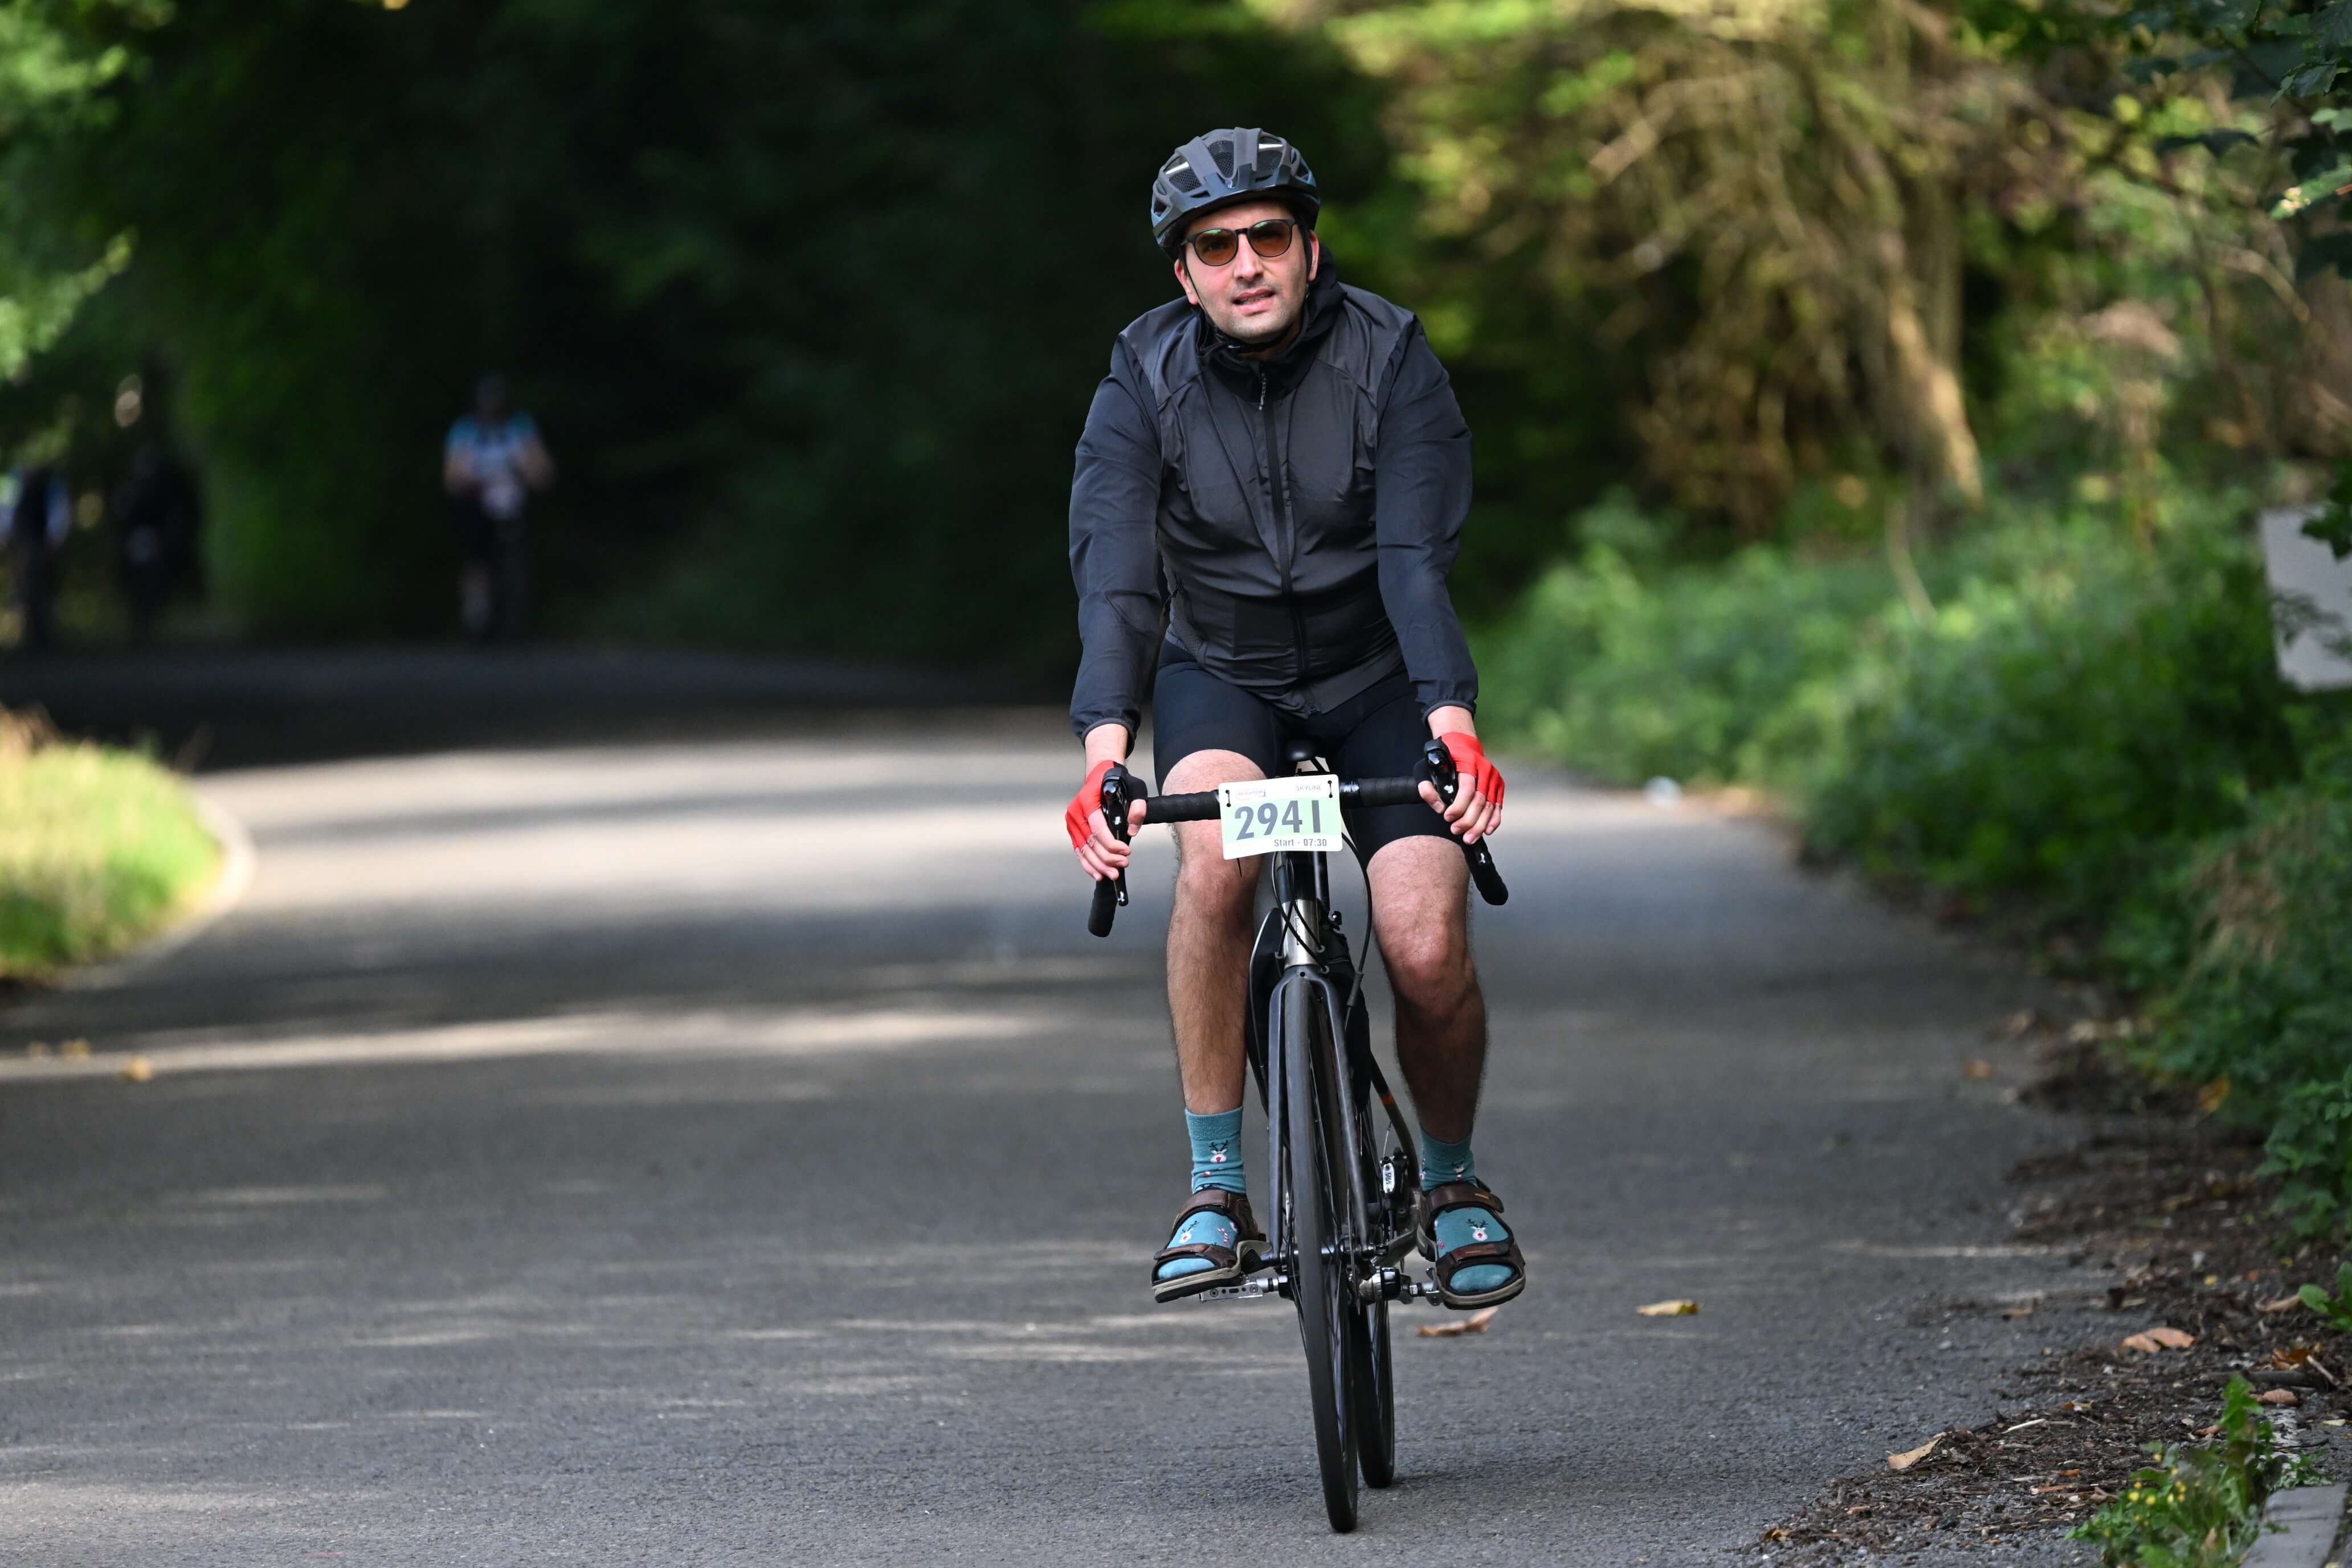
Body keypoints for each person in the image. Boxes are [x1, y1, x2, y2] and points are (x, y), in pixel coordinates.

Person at [1063, 128, 1524, 1310]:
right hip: (1226, 672)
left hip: (1380, 673)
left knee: (1422, 939)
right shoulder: (1142, 374)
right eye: (1215, 246)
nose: (1246, 263)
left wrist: (1455, 720)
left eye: (1269, 235)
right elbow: (1118, 572)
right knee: (1216, 866)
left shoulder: (1391, 355)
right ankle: (1217, 1186)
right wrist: (1106, 751)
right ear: (1185, 273)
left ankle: (1454, 1179)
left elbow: (1416, 558)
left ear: (1310, 248)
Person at [443, 374, 553, 642]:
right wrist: (472, 477)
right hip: (477, 503)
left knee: (517, 554)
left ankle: (515, 614)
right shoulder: (465, 430)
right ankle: (476, 612)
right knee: (476, 558)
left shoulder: (519, 426)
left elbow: (541, 466)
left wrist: (532, 472)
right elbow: (452, 475)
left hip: (511, 502)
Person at [6, 463, 70, 651]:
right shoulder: (18, 481)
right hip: (31, 545)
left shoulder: (49, 483)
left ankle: (42, 637)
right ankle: (34, 637)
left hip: (38, 546)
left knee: (41, 591)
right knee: (29, 591)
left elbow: (58, 514)